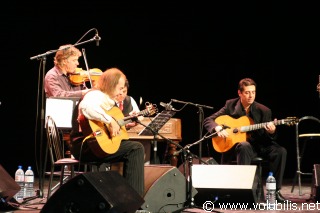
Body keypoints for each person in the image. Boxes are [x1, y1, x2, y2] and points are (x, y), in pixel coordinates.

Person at [203, 78, 287, 203]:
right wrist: (217, 127)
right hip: (239, 147)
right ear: (240, 93)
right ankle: (243, 190)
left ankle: (275, 192)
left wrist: (271, 131)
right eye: (247, 92)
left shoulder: (264, 110)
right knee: (244, 146)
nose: (250, 96)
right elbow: (208, 120)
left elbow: (268, 138)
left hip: (260, 145)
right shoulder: (230, 105)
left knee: (281, 151)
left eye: (253, 92)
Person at [70, 67, 145, 197]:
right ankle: (134, 200)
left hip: (96, 145)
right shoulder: (95, 95)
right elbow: (86, 108)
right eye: (120, 88)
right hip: (85, 146)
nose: (122, 91)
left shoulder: (109, 101)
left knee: (130, 146)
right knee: (136, 149)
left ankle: (121, 196)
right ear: (111, 85)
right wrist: (110, 121)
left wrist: (124, 123)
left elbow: (104, 127)